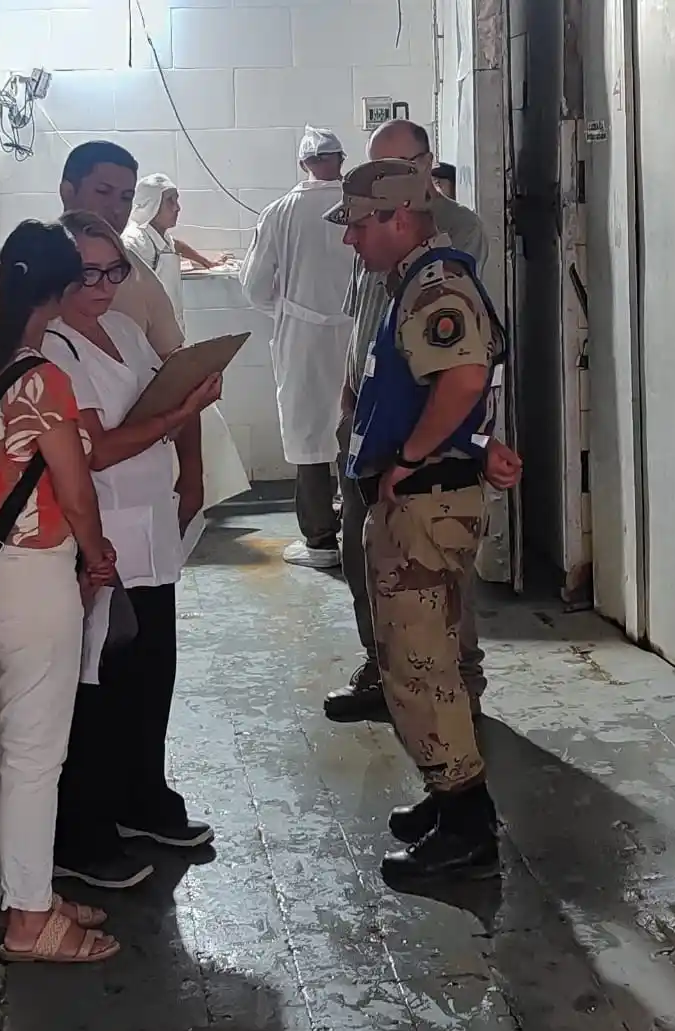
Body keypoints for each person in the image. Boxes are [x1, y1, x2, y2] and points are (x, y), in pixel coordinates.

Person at [326, 159, 512, 882]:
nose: (350, 241)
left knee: (419, 664)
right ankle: (450, 795)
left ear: (399, 217)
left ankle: (465, 824)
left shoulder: (436, 286)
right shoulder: (412, 282)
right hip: (428, 496)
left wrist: (407, 459)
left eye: (357, 226)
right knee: (427, 658)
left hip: (425, 503)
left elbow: (463, 379)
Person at [41, 213, 224, 890]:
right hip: (101, 540)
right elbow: (99, 449)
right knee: (99, 686)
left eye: (113, 271)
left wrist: (190, 460)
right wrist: (176, 416)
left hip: (151, 528)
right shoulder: (54, 347)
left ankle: (142, 800)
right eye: (86, 273)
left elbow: (166, 392)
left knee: (150, 674)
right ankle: (83, 833)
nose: (102, 286)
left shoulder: (122, 329)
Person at [0, 219, 120, 964]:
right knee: (34, 758)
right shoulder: (43, 378)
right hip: (34, 580)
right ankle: (28, 922)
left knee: (3, 748)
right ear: (58, 291)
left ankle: (19, 894)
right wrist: (97, 557)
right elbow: (76, 491)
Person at [0, 141, 207, 539]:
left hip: (141, 498)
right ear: (67, 191)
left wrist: (192, 474)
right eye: (103, 191)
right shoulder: (14, 278)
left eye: (126, 197)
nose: (116, 208)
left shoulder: (135, 289)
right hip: (41, 511)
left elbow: (180, 374)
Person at [240, 126, 356, 570]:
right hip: (359, 331)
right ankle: (361, 534)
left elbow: (254, 286)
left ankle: (320, 541)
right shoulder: (363, 205)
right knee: (357, 427)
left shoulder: (279, 212)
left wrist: (287, 308)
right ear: (341, 160)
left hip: (303, 336)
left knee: (309, 435)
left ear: (303, 163)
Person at [122, 174, 231, 324]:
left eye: (176, 200)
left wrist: (207, 262)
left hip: (170, 322)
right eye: (170, 201)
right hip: (149, 328)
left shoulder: (160, 235)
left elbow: (177, 246)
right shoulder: (133, 242)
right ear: (151, 205)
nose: (177, 208)